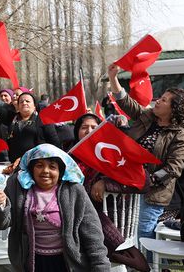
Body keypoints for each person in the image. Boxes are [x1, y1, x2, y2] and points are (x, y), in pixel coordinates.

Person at [0, 144, 110, 271]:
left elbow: (92, 230)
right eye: (39, 165)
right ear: (32, 169)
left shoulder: (74, 190)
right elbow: (1, 224)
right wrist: (1, 205)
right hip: (32, 262)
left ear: (60, 171)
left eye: (52, 166)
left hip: (67, 262)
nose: (45, 171)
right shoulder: (18, 187)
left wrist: (100, 265)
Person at [108, 62, 184, 242]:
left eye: (164, 100)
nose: (158, 100)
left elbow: (174, 168)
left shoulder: (181, 135)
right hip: (129, 187)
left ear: (174, 109)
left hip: (153, 193)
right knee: (127, 233)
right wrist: (113, 77)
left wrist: (147, 180)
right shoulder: (147, 116)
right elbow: (125, 102)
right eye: (160, 97)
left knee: (144, 235)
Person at [70, 113, 150, 271]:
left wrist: (106, 182)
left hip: (108, 214)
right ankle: (127, 255)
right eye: (84, 127)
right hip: (71, 210)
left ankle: (126, 255)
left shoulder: (112, 152)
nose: (89, 131)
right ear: (76, 132)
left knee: (88, 213)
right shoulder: (70, 155)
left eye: (94, 127)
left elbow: (144, 182)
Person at [0, 91, 60, 166]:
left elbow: (55, 143)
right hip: (14, 165)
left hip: (37, 164)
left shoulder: (43, 120)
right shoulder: (11, 119)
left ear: (34, 106)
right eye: (21, 102)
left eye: (27, 101)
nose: (24, 103)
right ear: (18, 106)